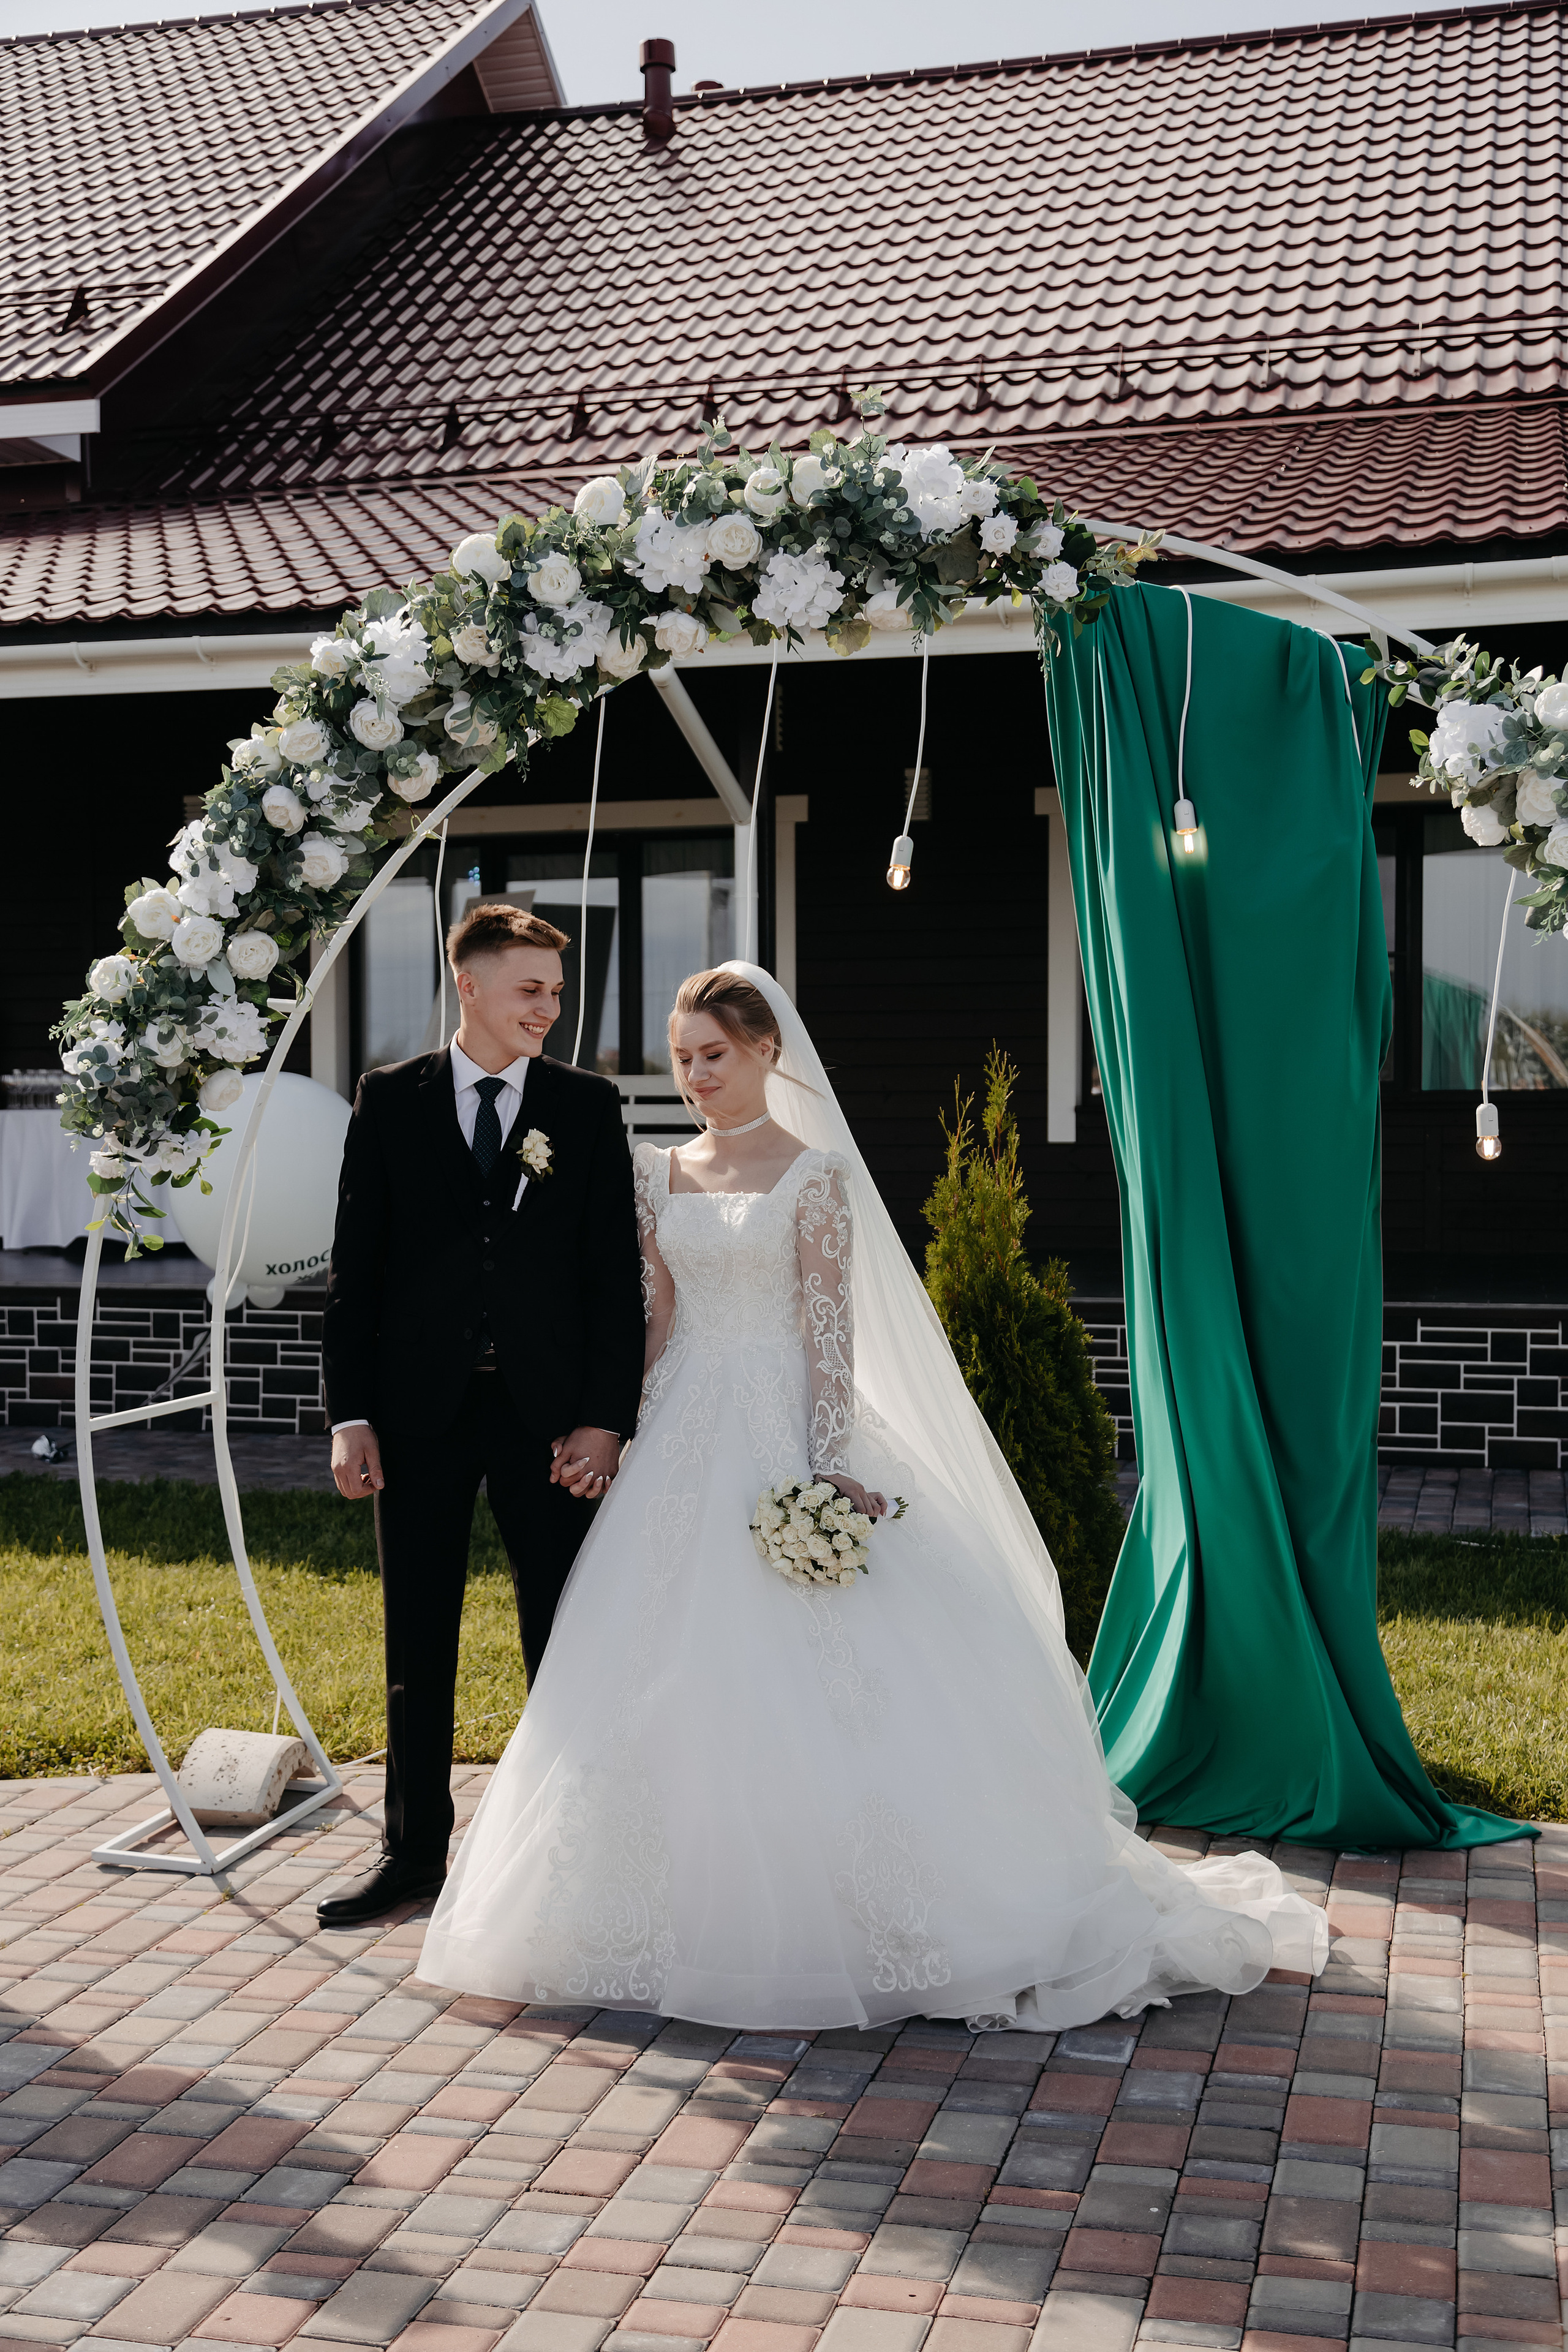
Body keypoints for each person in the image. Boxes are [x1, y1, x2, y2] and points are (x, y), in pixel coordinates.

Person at [418, 961, 1326, 2027]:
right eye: (682, 1058)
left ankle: (868, 1911)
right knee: (652, 1659)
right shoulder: (656, 1171)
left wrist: (825, 1467)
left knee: (822, 1669)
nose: (697, 1075)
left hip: (781, 1430)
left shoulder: (814, 1176)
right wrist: (620, 1433)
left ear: (767, 1051)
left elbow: (826, 1338)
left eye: (715, 1054)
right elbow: (653, 1320)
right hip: (679, 1430)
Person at [316, 902, 645, 1928]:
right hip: (418, 1417)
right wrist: (350, 1414)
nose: (549, 1007)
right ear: (470, 985)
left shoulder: (584, 1108)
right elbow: (354, 1277)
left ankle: (568, 1856)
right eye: (530, 988)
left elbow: (610, 1280)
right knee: (418, 1639)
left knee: (564, 1636)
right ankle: (413, 1856)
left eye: (557, 990)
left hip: (547, 1422)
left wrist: (605, 1419)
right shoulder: (388, 1100)